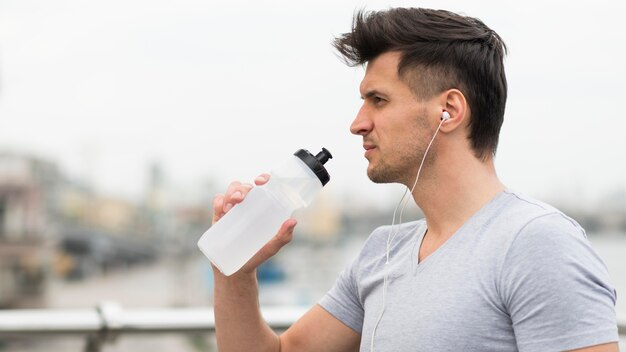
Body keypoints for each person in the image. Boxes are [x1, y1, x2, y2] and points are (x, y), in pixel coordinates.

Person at [209, 7, 619, 352]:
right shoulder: (381, 252)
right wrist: (234, 273)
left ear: (449, 110)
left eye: (379, 100)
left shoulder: (535, 244)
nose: (357, 124)